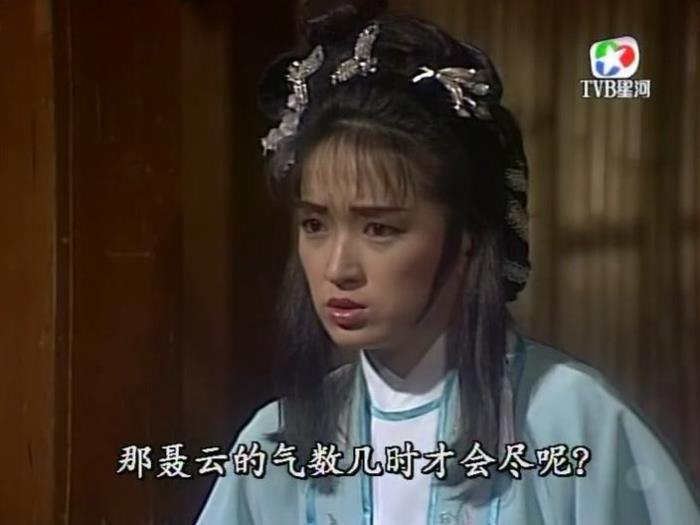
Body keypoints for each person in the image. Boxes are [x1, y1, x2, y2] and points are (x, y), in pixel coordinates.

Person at [195, 4, 700, 524]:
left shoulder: (571, 422)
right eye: (315, 225)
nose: (338, 268)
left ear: (466, 236)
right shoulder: (274, 445)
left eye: (379, 228)